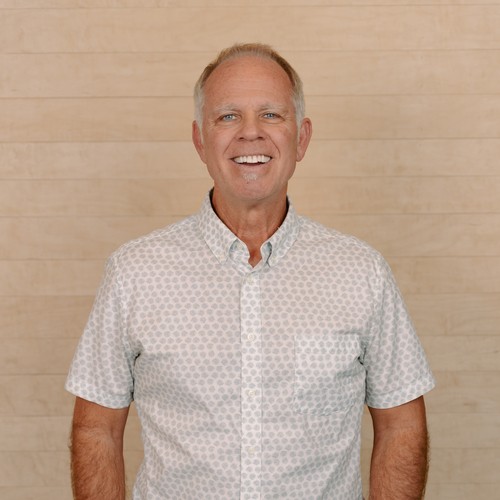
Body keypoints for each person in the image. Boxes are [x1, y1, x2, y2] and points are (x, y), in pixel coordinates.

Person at [66, 43, 435, 499]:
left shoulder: (362, 272)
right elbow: (96, 429)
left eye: (271, 115)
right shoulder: (134, 273)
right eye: (227, 117)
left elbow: (401, 424)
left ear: (302, 138)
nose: (250, 133)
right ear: (200, 141)